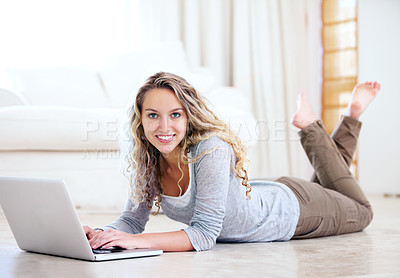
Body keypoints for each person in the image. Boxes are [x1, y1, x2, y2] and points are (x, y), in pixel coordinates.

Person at [84, 72, 380, 252]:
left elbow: (204, 233)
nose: (164, 127)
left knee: (362, 212)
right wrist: (99, 234)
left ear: (189, 116)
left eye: (175, 114)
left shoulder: (210, 148)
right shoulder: (148, 157)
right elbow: (132, 221)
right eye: (153, 115)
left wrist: (139, 242)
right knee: (336, 189)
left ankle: (316, 125)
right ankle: (348, 115)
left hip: (295, 213)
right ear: (141, 120)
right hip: (275, 193)